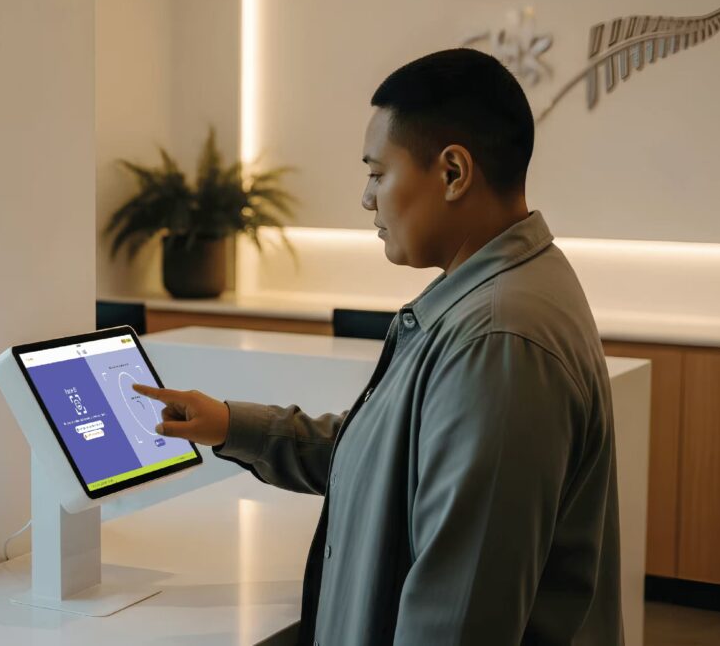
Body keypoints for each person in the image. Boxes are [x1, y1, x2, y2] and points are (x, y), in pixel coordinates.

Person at [133, 48, 622, 645]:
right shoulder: (492, 300)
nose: (367, 199)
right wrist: (232, 425)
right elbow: (390, 460)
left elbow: (456, 618)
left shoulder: (499, 341)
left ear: (453, 173)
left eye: (377, 174)